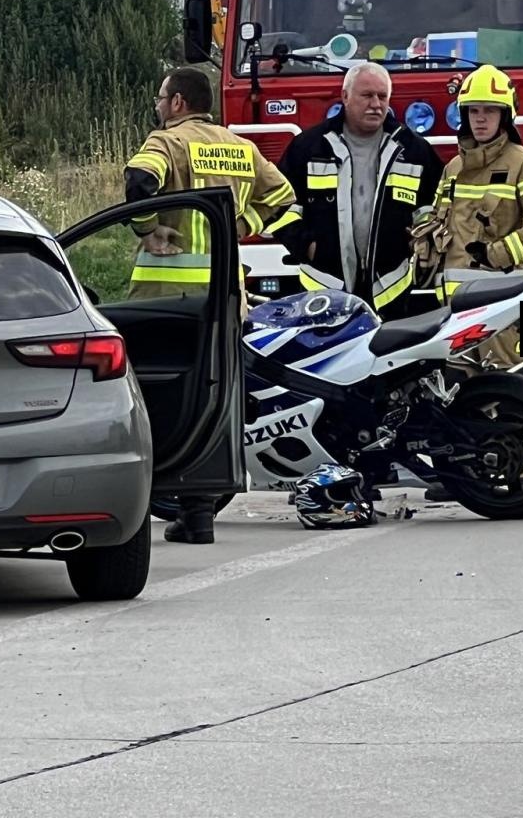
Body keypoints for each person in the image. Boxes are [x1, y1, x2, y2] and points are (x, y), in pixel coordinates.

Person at [124, 67, 294, 545]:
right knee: (215, 399)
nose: (158, 106)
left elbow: (138, 181)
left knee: (154, 402)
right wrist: (243, 224)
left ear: (178, 102)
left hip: (168, 298)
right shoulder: (239, 146)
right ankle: (199, 513)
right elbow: (283, 196)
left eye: (161, 98)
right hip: (225, 297)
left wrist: (147, 227)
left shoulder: (167, 141)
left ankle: (139, 502)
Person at [272, 62, 442, 320]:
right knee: (325, 357)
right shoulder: (309, 147)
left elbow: (433, 208)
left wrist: (419, 242)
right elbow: (279, 205)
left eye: (382, 96)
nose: (376, 104)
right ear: (345, 97)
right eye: (367, 95)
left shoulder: (414, 150)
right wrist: (307, 247)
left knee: (390, 359)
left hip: (391, 287)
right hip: (324, 286)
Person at [416, 64, 523, 365]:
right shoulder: (453, 167)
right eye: (473, 111)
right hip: (454, 310)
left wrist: (494, 255)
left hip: (507, 303)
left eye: (490, 111)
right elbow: (438, 221)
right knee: (460, 394)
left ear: (505, 116)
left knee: (522, 384)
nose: (480, 119)